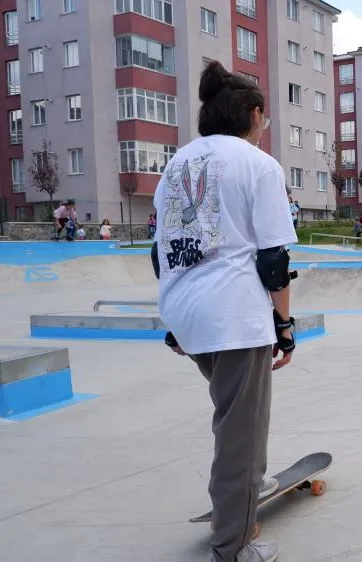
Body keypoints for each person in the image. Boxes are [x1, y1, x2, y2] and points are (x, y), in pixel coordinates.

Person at [150, 60, 298, 562]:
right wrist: (285, 325)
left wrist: (176, 321)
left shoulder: (176, 164)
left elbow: (160, 251)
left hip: (185, 313)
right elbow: (274, 260)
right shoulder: (258, 164)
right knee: (240, 433)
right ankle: (232, 546)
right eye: (266, 119)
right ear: (254, 114)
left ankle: (246, 485)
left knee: (233, 414)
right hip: (234, 316)